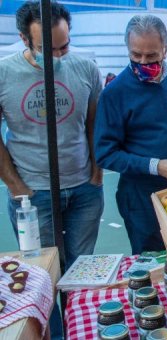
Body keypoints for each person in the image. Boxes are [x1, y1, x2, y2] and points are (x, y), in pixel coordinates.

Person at [95, 15, 167, 254]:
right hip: (142, 198)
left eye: (151, 56)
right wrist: (156, 166)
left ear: (165, 49)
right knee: (153, 260)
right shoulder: (114, 93)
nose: (142, 62)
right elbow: (105, 154)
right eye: (135, 55)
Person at [0, 0, 103, 269]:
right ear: (24, 38)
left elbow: (94, 125)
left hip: (84, 188)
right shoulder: (4, 74)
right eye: (47, 49)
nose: (58, 56)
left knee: (82, 270)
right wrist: (15, 186)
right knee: (44, 274)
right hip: (33, 193)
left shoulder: (86, 69)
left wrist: (96, 174)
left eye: (64, 46)